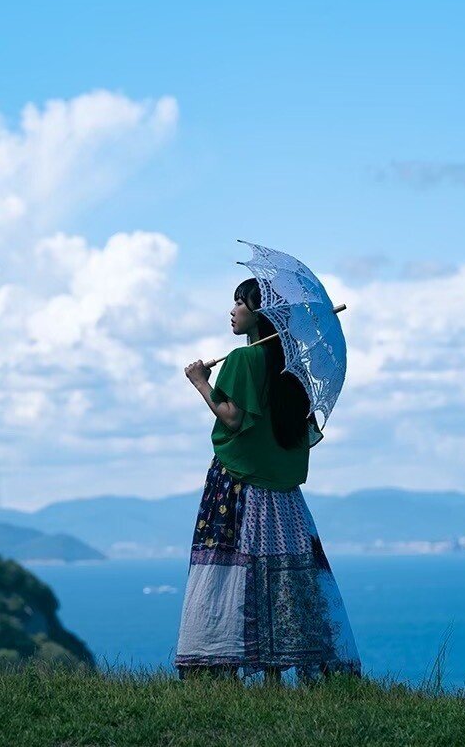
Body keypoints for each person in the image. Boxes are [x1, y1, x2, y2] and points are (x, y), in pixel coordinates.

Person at [173, 277, 362, 686]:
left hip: (238, 489)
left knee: (232, 574)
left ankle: (225, 666)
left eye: (240, 303)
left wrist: (201, 383)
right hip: (283, 498)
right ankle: (278, 675)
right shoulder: (292, 374)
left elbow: (234, 418)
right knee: (283, 576)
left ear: (259, 314)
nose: (233, 310)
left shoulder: (242, 361)